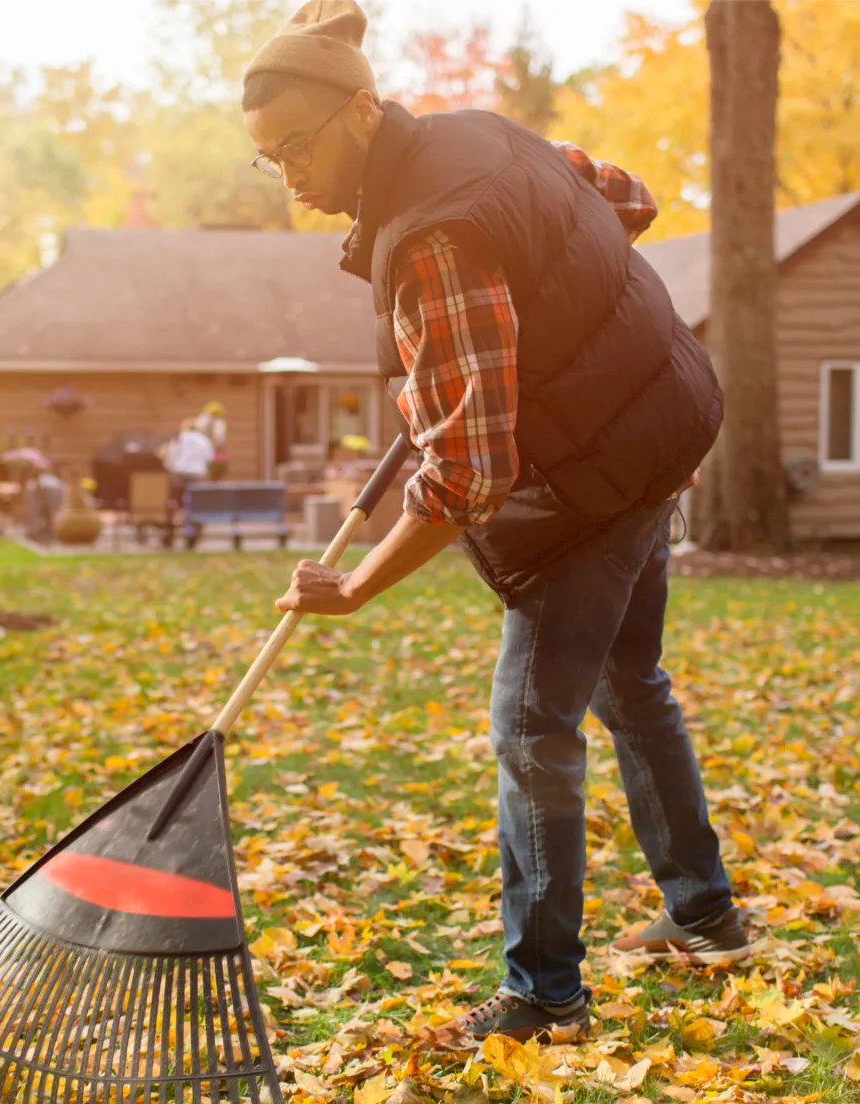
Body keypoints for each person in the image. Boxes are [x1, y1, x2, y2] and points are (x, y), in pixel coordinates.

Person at [242, 0, 756, 1048]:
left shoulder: (433, 239)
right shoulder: (483, 132)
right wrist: (549, 276)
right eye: (268, 157)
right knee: (627, 680)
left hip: (601, 476)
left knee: (531, 727)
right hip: (664, 420)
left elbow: (473, 472)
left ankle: (544, 994)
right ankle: (705, 914)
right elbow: (625, 195)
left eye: (297, 146)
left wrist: (358, 585)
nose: (289, 176)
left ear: (362, 112)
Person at [164, 417, 216, 510]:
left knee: (176, 495)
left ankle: (177, 510)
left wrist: (169, 468)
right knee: (197, 497)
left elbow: (171, 455)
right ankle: (195, 514)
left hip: (180, 472)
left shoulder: (179, 438)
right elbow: (210, 457)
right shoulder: (203, 439)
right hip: (198, 473)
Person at [191, 401, 230, 481]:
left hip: (200, 457)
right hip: (210, 456)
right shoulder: (219, 423)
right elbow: (220, 438)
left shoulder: (200, 420)